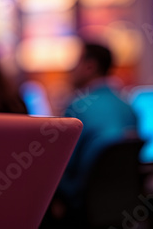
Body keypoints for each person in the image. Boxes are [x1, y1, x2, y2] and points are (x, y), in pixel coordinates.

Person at [53, 42, 138, 215]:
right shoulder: (127, 106)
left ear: (90, 66)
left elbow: (62, 167)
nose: (72, 69)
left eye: (76, 62)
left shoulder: (77, 108)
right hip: (122, 205)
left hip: (81, 205)